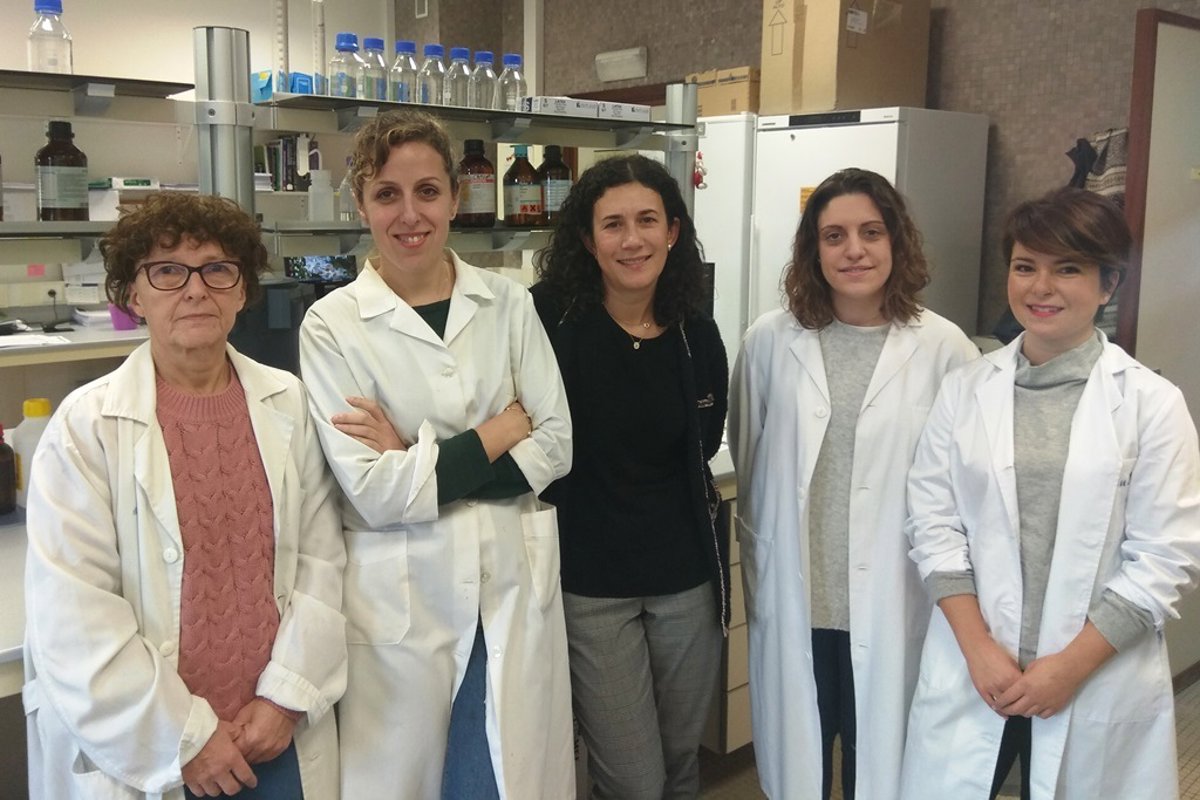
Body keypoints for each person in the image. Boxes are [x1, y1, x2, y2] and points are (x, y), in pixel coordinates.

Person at [23, 192, 347, 799]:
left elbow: (322, 561)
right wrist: (187, 739)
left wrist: (287, 697)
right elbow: (75, 616)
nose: (196, 289)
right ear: (132, 295)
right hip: (153, 751)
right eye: (168, 271)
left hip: (273, 736)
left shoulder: (288, 401)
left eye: (217, 269)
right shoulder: (86, 426)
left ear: (242, 290)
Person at [297, 109, 574, 800]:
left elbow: (557, 443)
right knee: (409, 780)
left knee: (503, 777)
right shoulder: (331, 325)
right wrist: (499, 430)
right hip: (402, 610)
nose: (409, 214)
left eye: (427, 191)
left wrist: (416, 459)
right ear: (361, 204)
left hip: (509, 586)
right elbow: (375, 494)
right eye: (386, 194)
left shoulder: (507, 303)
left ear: (455, 197)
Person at [900, 187, 1200, 799]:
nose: (1041, 287)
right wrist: (978, 649)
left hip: (1092, 673)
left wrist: (1067, 668)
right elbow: (933, 523)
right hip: (977, 666)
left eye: (1068, 269)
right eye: (1025, 266)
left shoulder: (1150, 403)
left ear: (1108, 284)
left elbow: (1165, 558)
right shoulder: (965, 389)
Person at [729, 167, 978, 800]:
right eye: (834, 236)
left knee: (883, 766)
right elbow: (750, 461)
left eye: (871, 232)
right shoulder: (769, 341)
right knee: (802, 762)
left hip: (898, 600)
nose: (854, 251)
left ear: (897, 240)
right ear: (813, 250)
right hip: (799, 599)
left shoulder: (946, 349)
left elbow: (964, 493)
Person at [531, 153, 728, 800]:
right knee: (634, 780)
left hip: (685, 581)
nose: (632, 239)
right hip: (591, 585)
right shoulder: (548, 321)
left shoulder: (697, 331)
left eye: (647, 220)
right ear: (588, 241)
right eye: (612, 224)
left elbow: (704, 441)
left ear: (672, 232)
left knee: (680, 763)